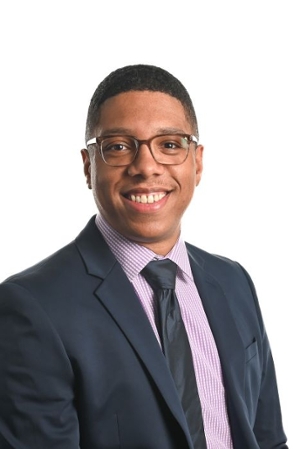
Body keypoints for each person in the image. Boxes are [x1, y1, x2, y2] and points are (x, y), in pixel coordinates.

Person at [0, 64, 288, 449]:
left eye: (169, 144)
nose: (146, 166)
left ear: (196, 162)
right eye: (119, 146)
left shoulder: (234, 281)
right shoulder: (32, 307)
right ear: (89, 167)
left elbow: (268, 440)